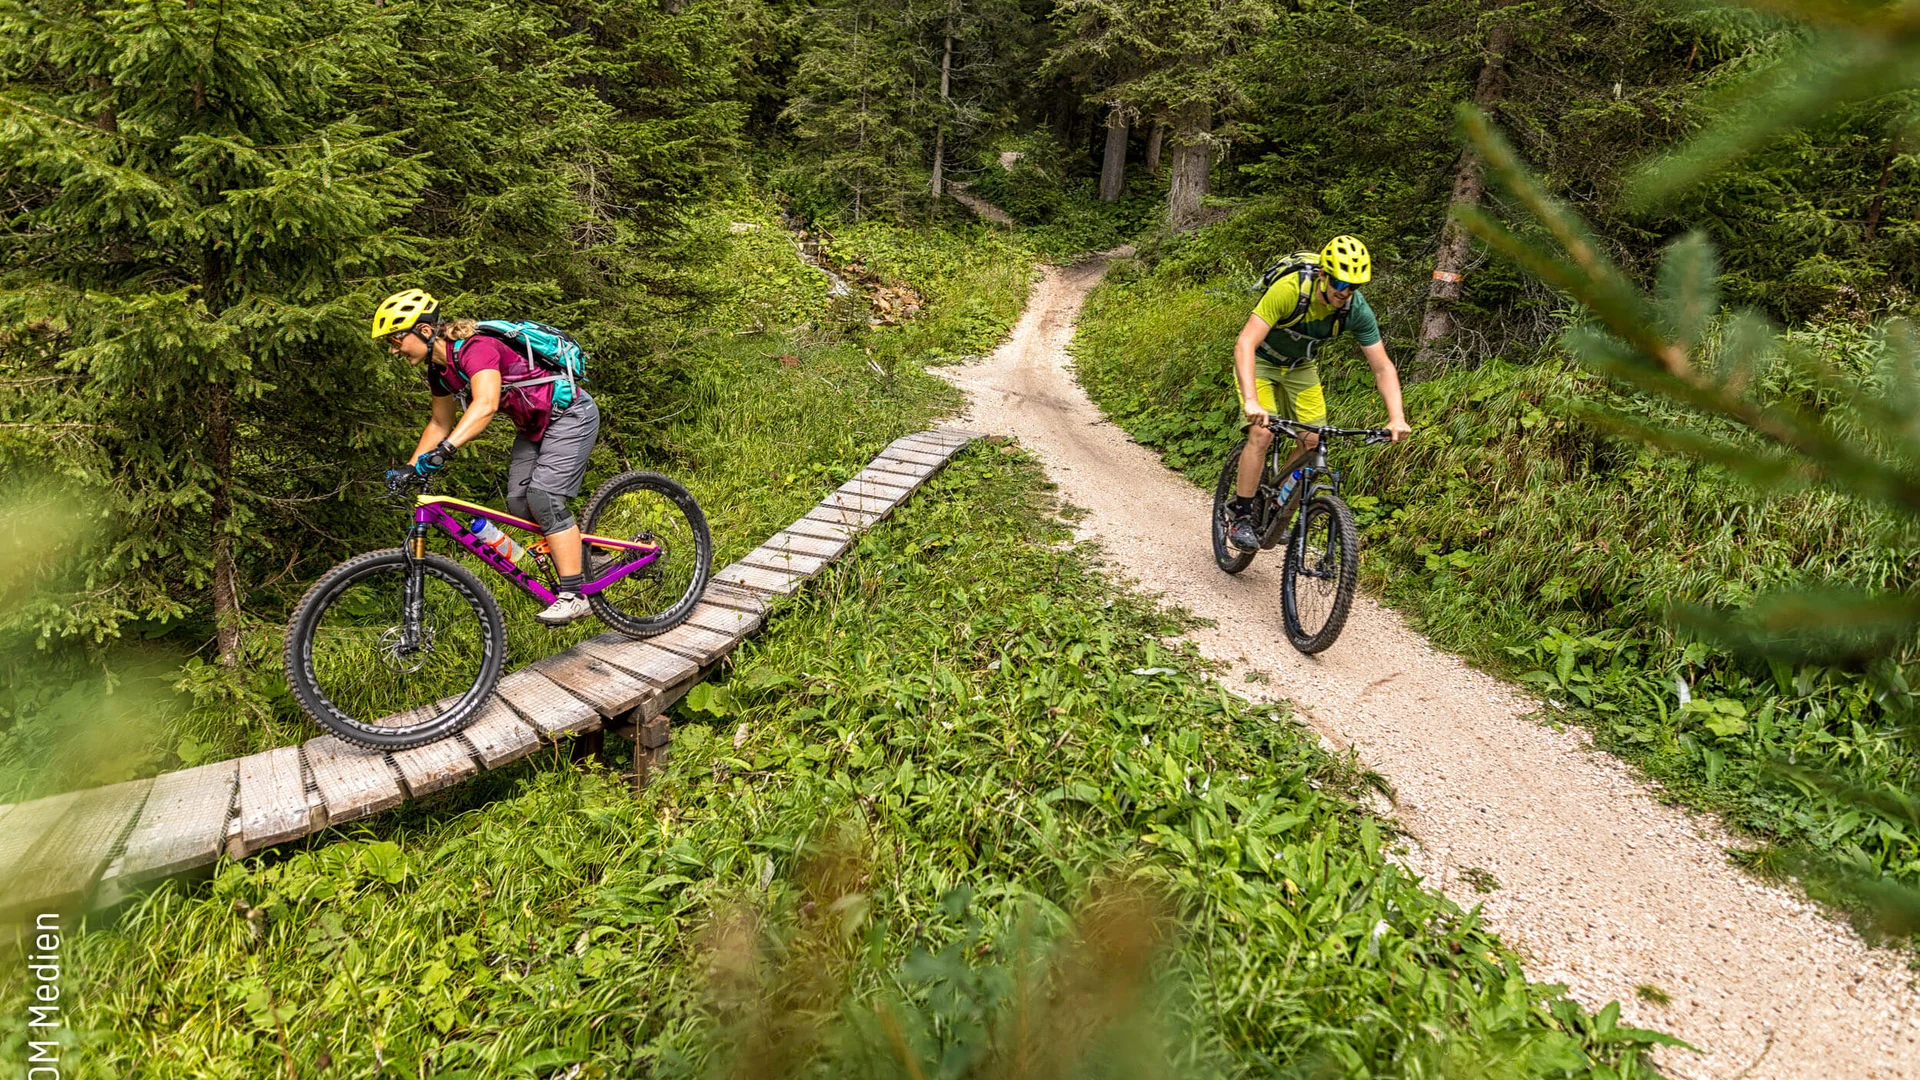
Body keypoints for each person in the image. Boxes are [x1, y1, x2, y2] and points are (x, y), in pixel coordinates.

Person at [372, 289, 601, 626]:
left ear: (422, 330)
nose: (394, 349)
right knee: (519, 503)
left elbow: (486, 404)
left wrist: (446, 450)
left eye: (396, 338)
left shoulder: (476, 349)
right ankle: (593, 558)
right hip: (533, 425)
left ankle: (574, 595)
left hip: (570, 415)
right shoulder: (440, 371)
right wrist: (410, 467)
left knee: (545, 497)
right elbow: (439, 422)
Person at [1227, 235, 1411, 551]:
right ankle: (1241, 515)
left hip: (1300, 366)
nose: (1344, 291)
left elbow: (1382, 367)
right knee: (1262, 434)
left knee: (1313, 440)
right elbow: (1246, 342)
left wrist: (1396, 418)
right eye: (1339, 281)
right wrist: (1252, 401)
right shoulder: (1290, 290)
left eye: (1353, 285)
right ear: (1324, 275)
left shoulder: (1356, 310)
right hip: (1260, 361)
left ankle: (1274, 508)